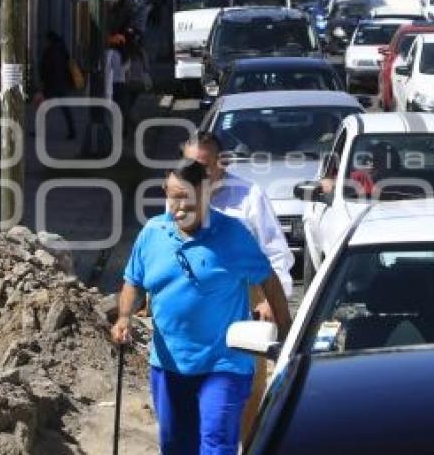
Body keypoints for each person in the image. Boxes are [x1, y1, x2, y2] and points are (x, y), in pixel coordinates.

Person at [111, 161, 291, 454]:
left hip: (224, 364)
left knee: (216, 445)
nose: (179, 207)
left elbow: (268, 280)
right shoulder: (152, 233)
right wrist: (123, 317)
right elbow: (133, 280)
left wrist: (286, 329)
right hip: (168, 365)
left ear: (206, 194)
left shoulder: (233, 235)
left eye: (187, 198)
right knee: (176, 447)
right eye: (173, 196)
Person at [181, 133, 294, 444]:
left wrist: (273, 301)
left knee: (244, 397)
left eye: (202, 165)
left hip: (244, 313)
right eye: (190, 165)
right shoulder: (180, 197)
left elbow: (276, 255)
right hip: (196, 319)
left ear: (220, 164)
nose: (196, 173)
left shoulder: (248, 196)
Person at [40, 31, 76, 139]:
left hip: (52, 84)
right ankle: (72, 130)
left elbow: (47, 68)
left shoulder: (50, 51)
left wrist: (44, 81)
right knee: (65, 109)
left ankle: (39, 130)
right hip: (62, 83)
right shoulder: (63, 50)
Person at [104, 33, 131, 136]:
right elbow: (128, 72)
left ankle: (114, 131)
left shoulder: (110, 53)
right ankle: (123, 131)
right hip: (123, 84)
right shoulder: (126, 56)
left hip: (112, 84)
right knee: (122, 109)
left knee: (112, 110)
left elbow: (107, 69)